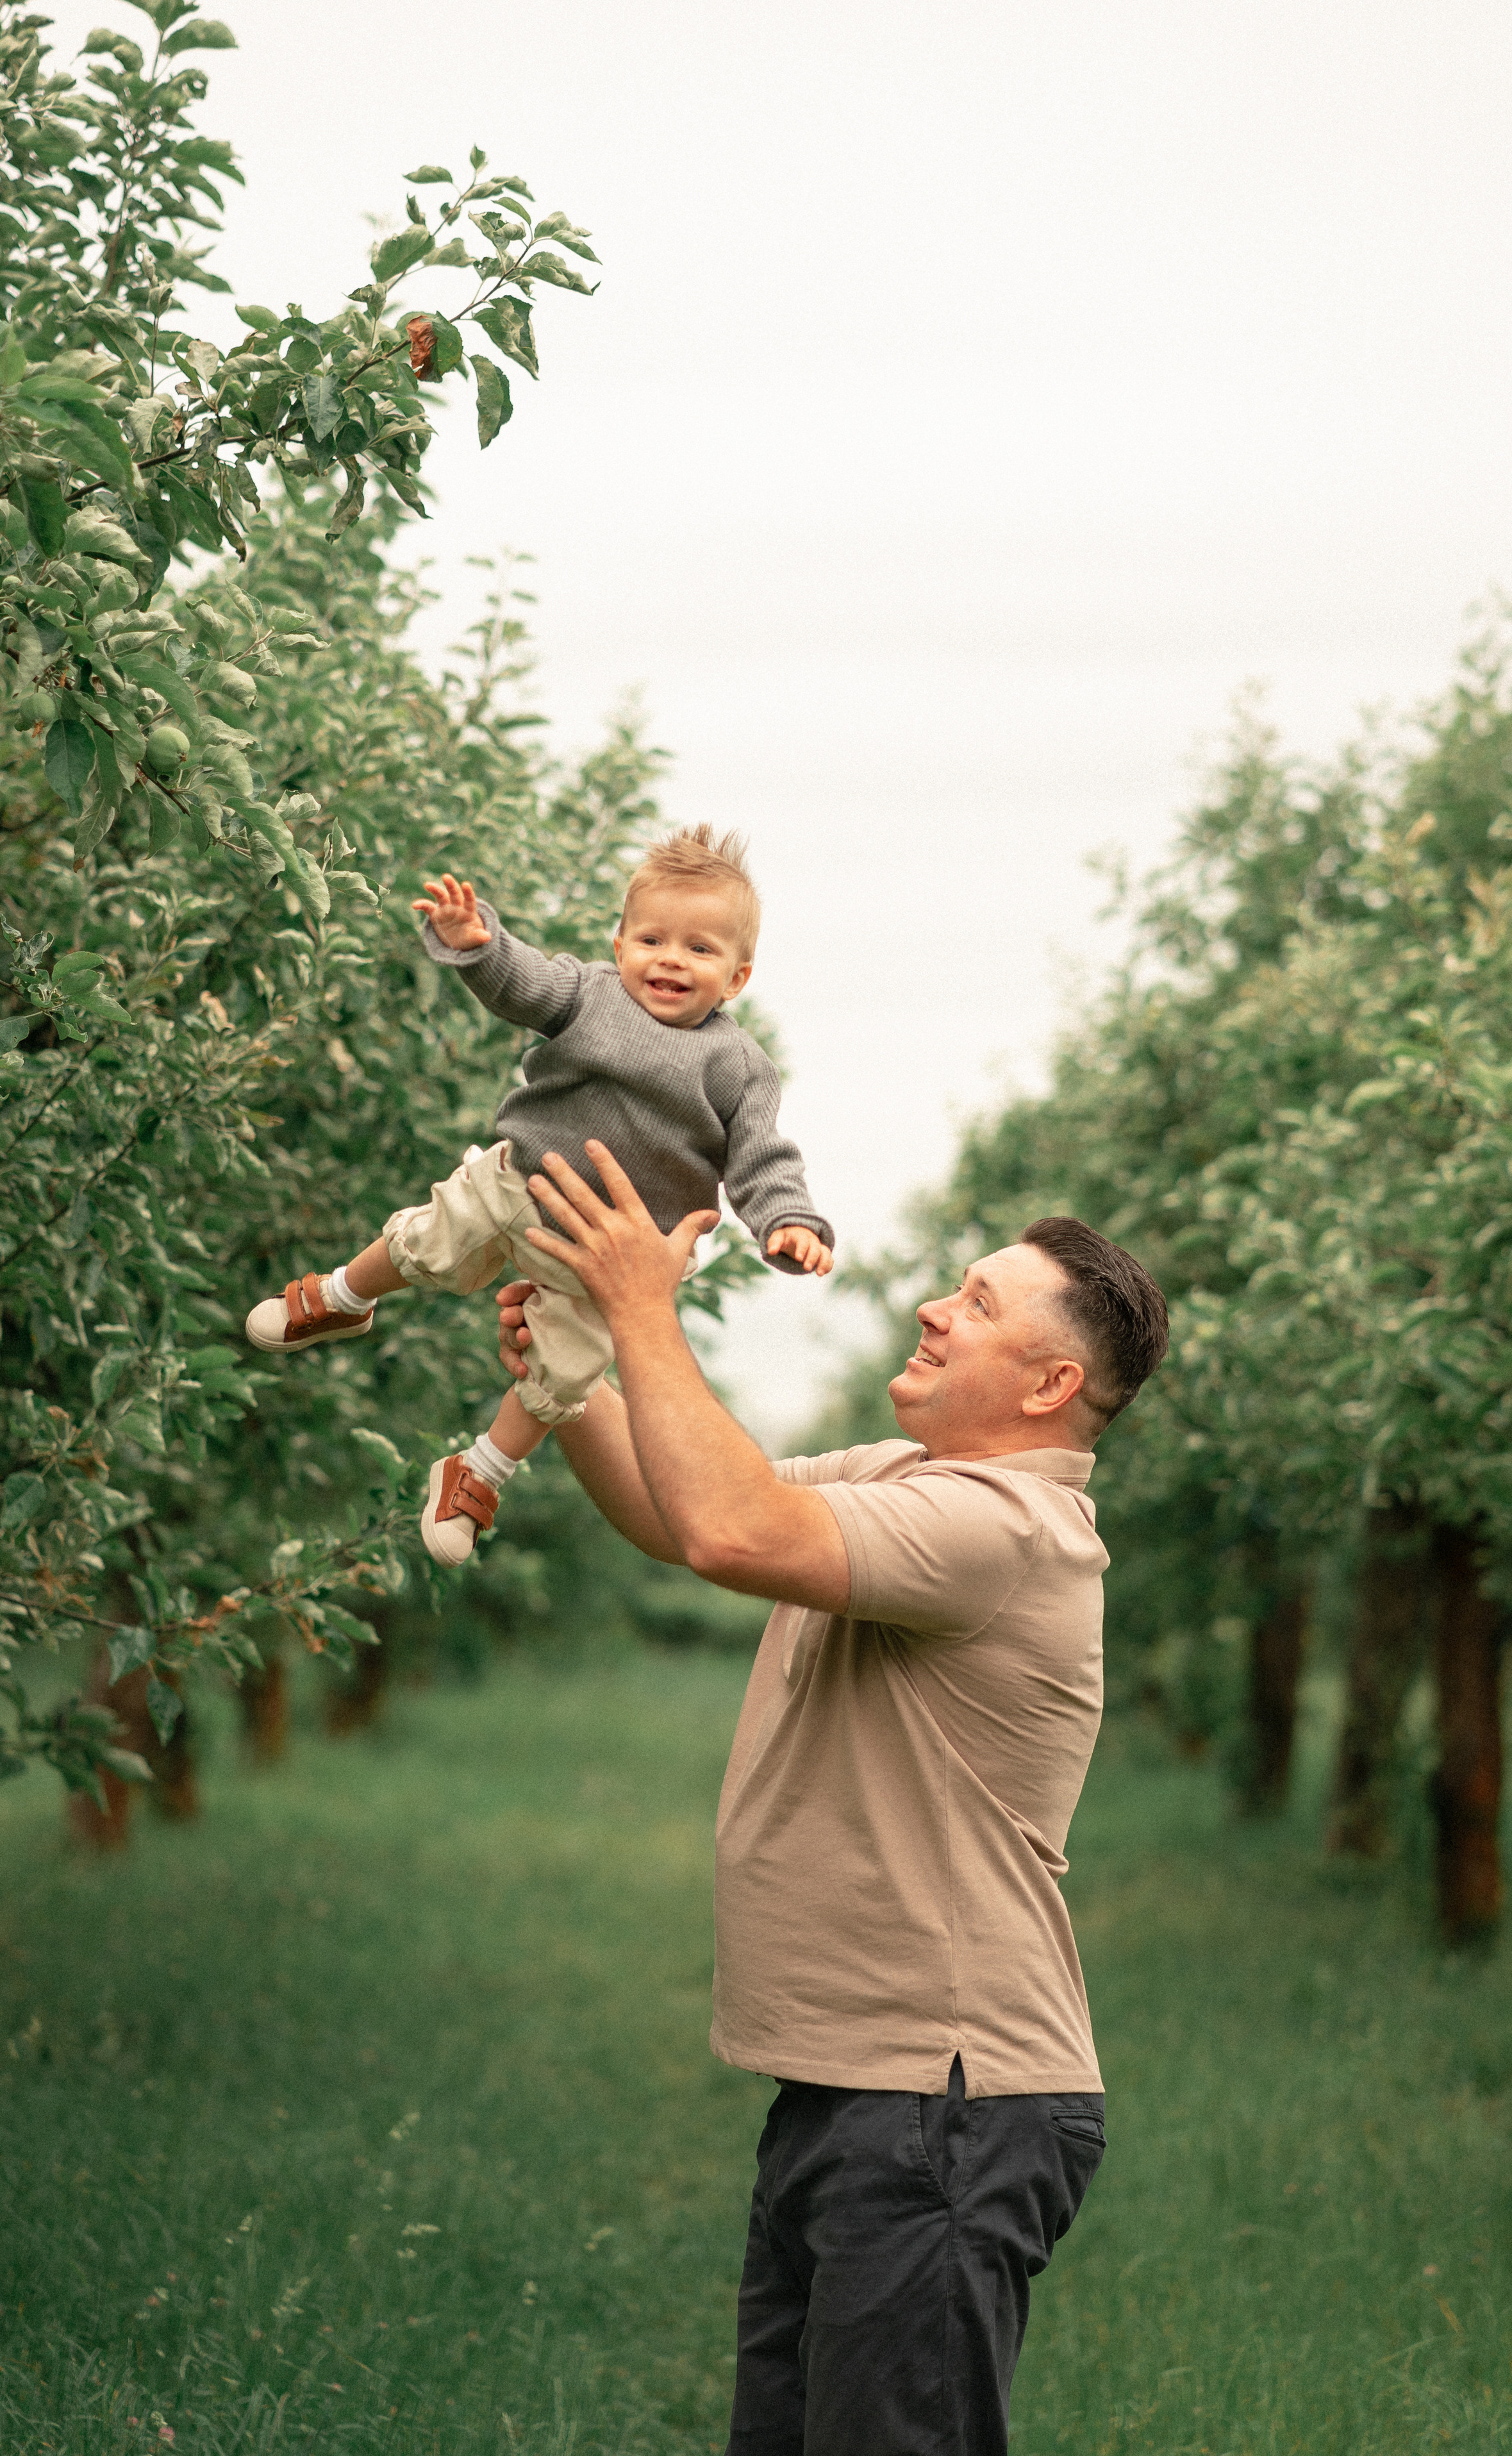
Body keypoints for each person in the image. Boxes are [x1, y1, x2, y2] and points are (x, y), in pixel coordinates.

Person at [488, 1140, 1168, 2456]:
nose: (932, 1305)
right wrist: (571, 1377)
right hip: (861, 2090)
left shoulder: (1002, 1532)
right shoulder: (912, 1485)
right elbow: (682, 1509)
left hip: (943, 2104)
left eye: (976, 1303)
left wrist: (641, 1308)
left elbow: (732, 1532)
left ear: (1047, 1384)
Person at [240, 826, 833, 1568]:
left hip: (608, 1256)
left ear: (737, 978)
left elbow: (762, 1158)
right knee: (428, 1238)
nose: (672, 960)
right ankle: (342, 1296)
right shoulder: (590, 994)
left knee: (565, 1372)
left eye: (701, 949)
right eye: (653, 940)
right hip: (520, 1180)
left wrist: (788, 1221)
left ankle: (478, 1472)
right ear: (619, 947)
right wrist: (478, 942)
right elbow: (522, 982)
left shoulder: (739, 1068)